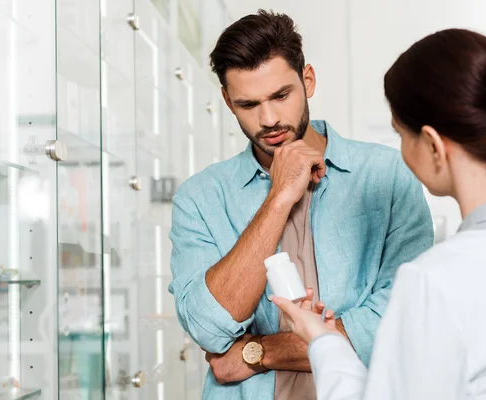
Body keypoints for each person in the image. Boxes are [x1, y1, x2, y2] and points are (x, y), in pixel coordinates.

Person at [273, 28, 486, 400]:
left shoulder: (434, 281)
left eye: (401, 135)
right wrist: (324, 337)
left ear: (434, 145)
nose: (402, 153)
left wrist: (322, 342)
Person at [168, 9, 434, 400]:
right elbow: (208, 328)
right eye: (248, 104)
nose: (269, 118)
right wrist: (278, 197)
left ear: (307, 81)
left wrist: (259, 352)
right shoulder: (199, 198)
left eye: (281, 95)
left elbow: (402, 322)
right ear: (227, 101)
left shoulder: (388, 174)